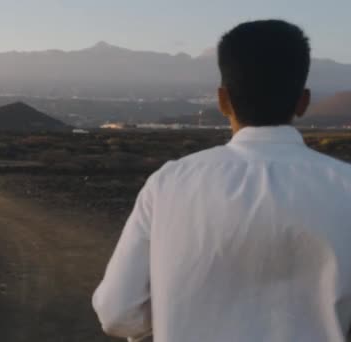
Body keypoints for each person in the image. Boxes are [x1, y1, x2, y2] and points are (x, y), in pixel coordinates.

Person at [92, 19, 351, 342]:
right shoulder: (345, 186)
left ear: (222, 100)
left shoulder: (169, 184)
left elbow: (117, 313)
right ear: (303, 101)